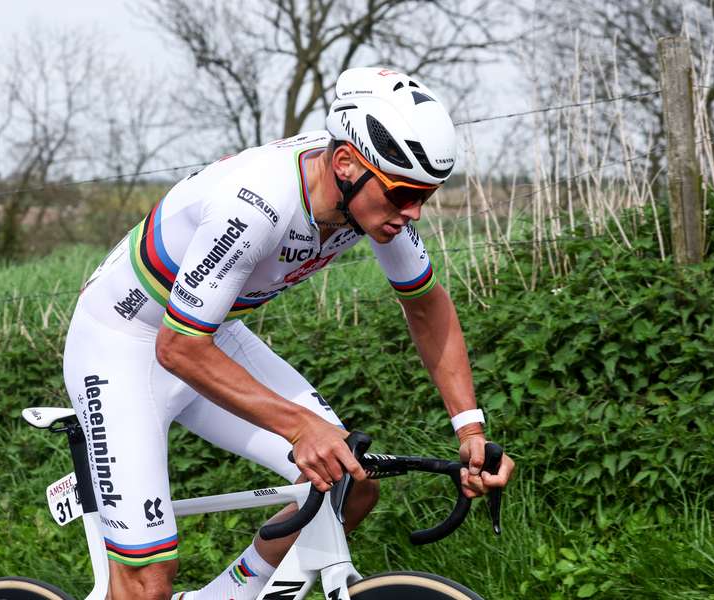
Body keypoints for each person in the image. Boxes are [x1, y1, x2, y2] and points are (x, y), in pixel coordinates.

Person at [63, 66, 515, 600]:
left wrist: (469, 431)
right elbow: (177, 347)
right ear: (345, 162)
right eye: (402, 193)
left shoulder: (371, 197)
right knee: (146, 583)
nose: (412, 212)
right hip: (123, 345)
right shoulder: (256, 205)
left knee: (351, 484)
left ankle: (224, 597)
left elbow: (427, 307)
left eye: (425, 195)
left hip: (208, 334)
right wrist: (301, 428)